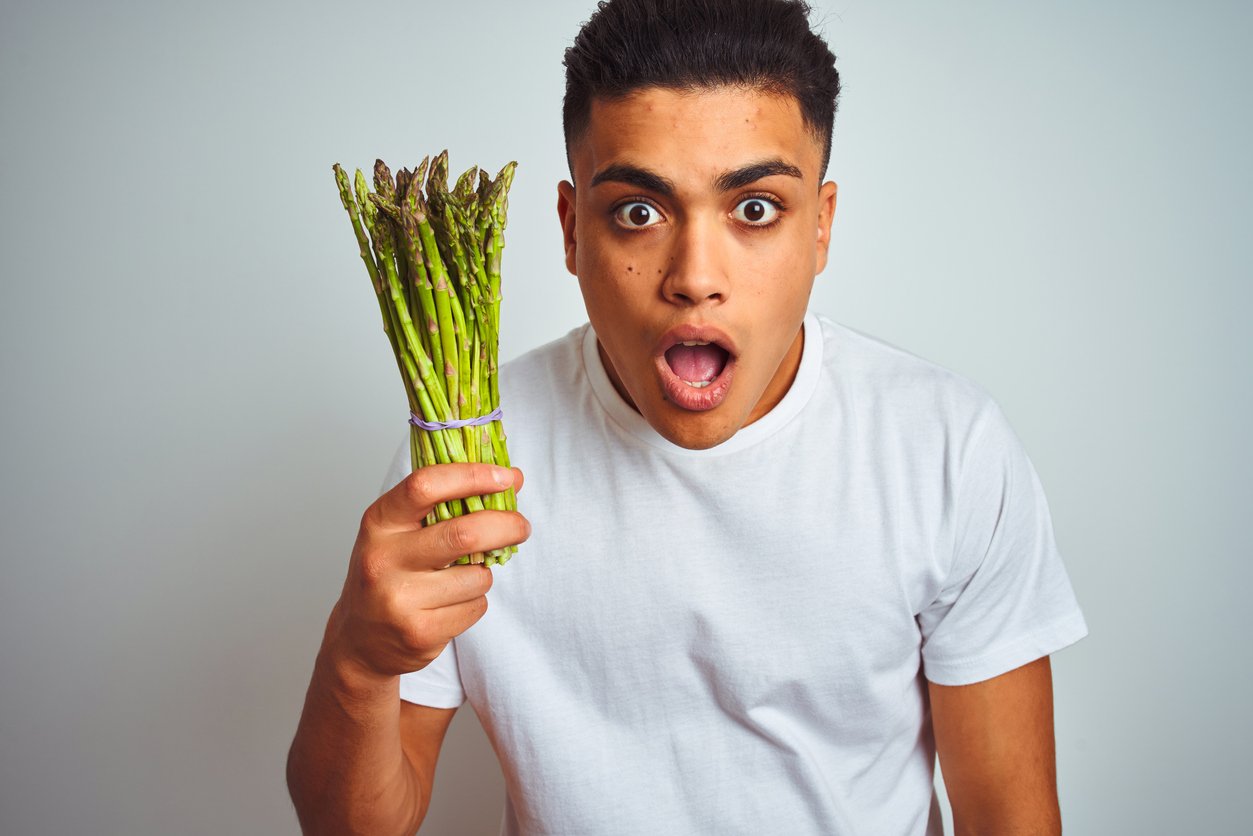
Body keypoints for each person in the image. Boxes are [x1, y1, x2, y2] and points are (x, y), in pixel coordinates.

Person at [287, 0, 1088, 833]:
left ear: (820, 226)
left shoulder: (944, 448)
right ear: (570, 231)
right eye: (638, 210)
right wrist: (355, 665)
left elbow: (1008, 815)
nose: (694, 276)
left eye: (754, 209)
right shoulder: (464, 459)